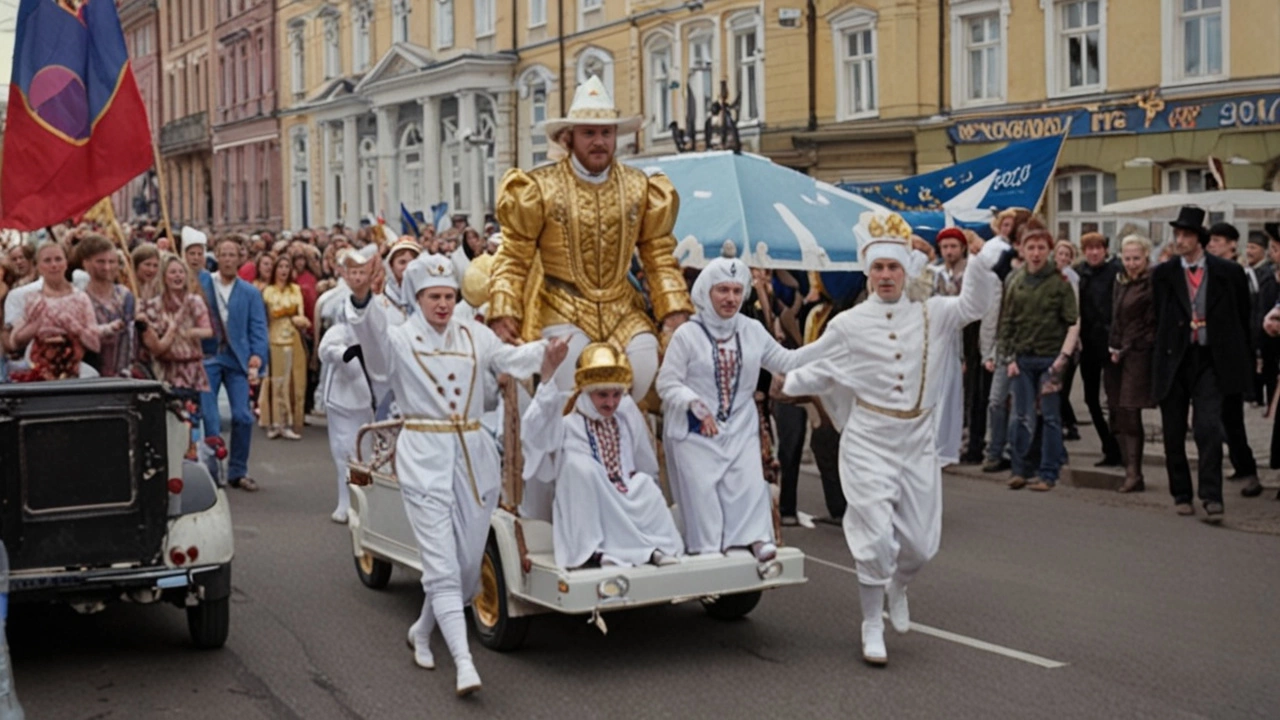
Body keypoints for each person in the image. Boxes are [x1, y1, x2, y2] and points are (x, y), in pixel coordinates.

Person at [781, 212, 1003, 667]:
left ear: (906, 271)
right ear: (868, 273)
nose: (886, 275)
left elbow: (975, 306)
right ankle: (870, 623)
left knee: (921, 545)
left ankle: (899, 584)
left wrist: (980, 260)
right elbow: (804, 360)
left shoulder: (933, 313)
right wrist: (776, 370)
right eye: (878, 268)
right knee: (874, 538)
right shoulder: (848, 324)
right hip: (868, 440)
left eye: (894, 267)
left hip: (916, 440)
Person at [343, 251, 561, 697]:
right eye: (432, 296)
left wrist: (548, 353)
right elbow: (373, 348)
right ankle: (464, 663)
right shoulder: (401, 338)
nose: (442, 304)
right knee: (442, 565)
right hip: (425, 452)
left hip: (474, 454)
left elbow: (510, 358)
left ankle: (423, 630)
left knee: (465, 566)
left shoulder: (474, 334)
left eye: (448, 295)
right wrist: (362, 298)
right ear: (417, 298)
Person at [489, 75, 693, 400]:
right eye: (589, 133)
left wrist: (675, 312)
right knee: (570, 395)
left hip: (623, 310)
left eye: (605, 133)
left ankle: (624, 448)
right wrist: (504, 313)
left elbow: (659, 256)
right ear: (568, 138)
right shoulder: (538, 187)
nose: (599, 141)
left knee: (641, 372)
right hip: (561, 308)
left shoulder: (642, 187)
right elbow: (514, 257)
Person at [657, 257, 816, 560]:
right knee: (703, 491)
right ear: (707, 292)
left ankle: (753, 538)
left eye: (736, 290)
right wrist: (692, 401)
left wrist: (832, 343)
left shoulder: (751, 329)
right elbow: (667, 383)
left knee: (748, 484)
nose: (730, 298)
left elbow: (786, 361)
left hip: (739, 425)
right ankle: (707, 548)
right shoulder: (688, 334)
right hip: (695, 431)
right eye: (722, 290)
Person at [523, 342, 683, 569]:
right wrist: (548, 377)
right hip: (591, 495)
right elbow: (536, 429)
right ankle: (599, 552)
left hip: (622, 488)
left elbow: (642, 461)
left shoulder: (624, 418)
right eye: (602, 395)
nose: (610, 403)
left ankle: (652, 550)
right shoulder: (568, 425)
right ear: (588, 393)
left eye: (616, 395)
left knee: (646, 486)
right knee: (581, 468)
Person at [1151, 207, 1252, 522]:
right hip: (1175, 359)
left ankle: (1211, 496)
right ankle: (1181, 493)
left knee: (1209, 427)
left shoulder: (1228, 273)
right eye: (1177, 235)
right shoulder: (1164, 274)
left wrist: (1246, 360)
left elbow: (1242, 316)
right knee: (1173, 430)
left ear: (1200, 240)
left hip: (1210, 358)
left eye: (1186, 235)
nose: (1179, 240)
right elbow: (1158, 317)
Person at [1001, 227, 1080, 491]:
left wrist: (1063, 358)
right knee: (1021, 415)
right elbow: (1007, 322)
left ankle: (1048, 473)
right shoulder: (1014, 281)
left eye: (1041, 248)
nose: (1035, 254)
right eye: (1030, 248)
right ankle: (1020, 470)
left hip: (1050, 360)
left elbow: (1072, 321)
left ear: (1049, 251)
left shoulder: (1060, 282)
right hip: (1022, 359)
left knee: (1050, 417)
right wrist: (1008, 357)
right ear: (1022, 250)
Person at [200, 236, 270, 492]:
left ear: (240, 259)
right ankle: (210, 471)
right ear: (217, 256)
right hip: (209, 357)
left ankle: (238, 470)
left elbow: (259, 327)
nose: (228, 259)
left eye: (233, 254)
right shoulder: (204, 284)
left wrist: (258, 355)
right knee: (210, 417)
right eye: (224, 254)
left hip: (237, 358)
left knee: (242, 416)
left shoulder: (250, 292)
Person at [1204, 222, 1261, 493]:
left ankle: (1248, 468)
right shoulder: (1206, 270)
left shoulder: (1238, 272)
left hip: (1232, 354)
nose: (1212, 244)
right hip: (1209, 354)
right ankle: (1241, 464)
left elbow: (1243, 314)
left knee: (1231, 417)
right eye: (1210, 240)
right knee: (1219, 417)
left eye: (1217, 240)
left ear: (1231, 244)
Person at [317, 253, 374, 524]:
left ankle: (365, 501)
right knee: (343, 451)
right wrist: (344, 354)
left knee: (367, 450)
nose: (359, 278)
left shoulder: (378, 308)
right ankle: (345, 500)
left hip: (370, 396)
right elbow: (325, 348)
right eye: (354, 273)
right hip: (342, 398)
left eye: (363, 273)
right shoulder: (340, 308)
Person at [7, 242, 103, 382]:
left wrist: (74, 328)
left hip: (74, 372)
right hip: (39, 372)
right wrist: (34, 325)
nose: (54, 265)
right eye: (47, 260)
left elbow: (95, 344)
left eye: (58, 259)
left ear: (66, 263)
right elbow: (16, 342)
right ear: (38, 266)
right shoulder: (32, 298)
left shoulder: (80, 298)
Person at [1106, 235, 1156, 493]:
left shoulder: (1152, 284)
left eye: (1136, 258)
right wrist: (1113, 345)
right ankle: (1129, 468)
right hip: (1117, 354)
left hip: (1139, 354)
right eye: (1127, 258)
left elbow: (1150, 323)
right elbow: (1116, 317)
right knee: (1117, 411)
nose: (1132, 263)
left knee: (1129, 409)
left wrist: (1128, 346)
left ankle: (1134, 472)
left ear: (1146, 257)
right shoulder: (1120, 282)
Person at [1075, 233, 1123, 463]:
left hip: (1112, 343)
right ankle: (1108, 444)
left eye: (1098, 248)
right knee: (1090, 399)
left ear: (1105, 250)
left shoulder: (1116, 271)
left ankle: (1119, 447)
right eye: (1089, 248)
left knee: (1114, 399)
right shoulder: (1079, 273)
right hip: (1088, 345)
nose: (1094, 253)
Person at [139, 254, 213, 392]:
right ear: (164, 277)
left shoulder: (194, 301)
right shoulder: (154, 305)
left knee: (190, 412)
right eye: (173, 272)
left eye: (181, 272)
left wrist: (192, 332)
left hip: (192, 369)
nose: (177, 276)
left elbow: (208, 330)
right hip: (165, 369)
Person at [260, 254, 310, 440]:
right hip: (274, 339)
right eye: (280, 267)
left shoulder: (295, 290)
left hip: (293, 338)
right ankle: (274, 422)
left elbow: (301, 315)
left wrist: (292, 318)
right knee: (275, 381)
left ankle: (288, 422)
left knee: (292, 382)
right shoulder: (268, 291)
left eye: (286, 267)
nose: (283, 270)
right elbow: (268, 316)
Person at [933, 228, 971, 466]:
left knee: (964, 394)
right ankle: (938, 443)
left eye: (953, 246)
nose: (949, 251)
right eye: (945, 247)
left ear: (962, 248)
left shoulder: (970, 273)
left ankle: (961, 441)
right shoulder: (936, 274)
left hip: (968, 340)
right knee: (941, 394)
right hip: (942, 342)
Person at [78, 235, 136, 378]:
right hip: (90, 374)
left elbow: (130, 338)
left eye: (112, 262)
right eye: (100, 262)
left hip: (123, 375)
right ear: (86, 263)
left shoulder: (125, 296)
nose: (107, 267)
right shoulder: (79, 298)